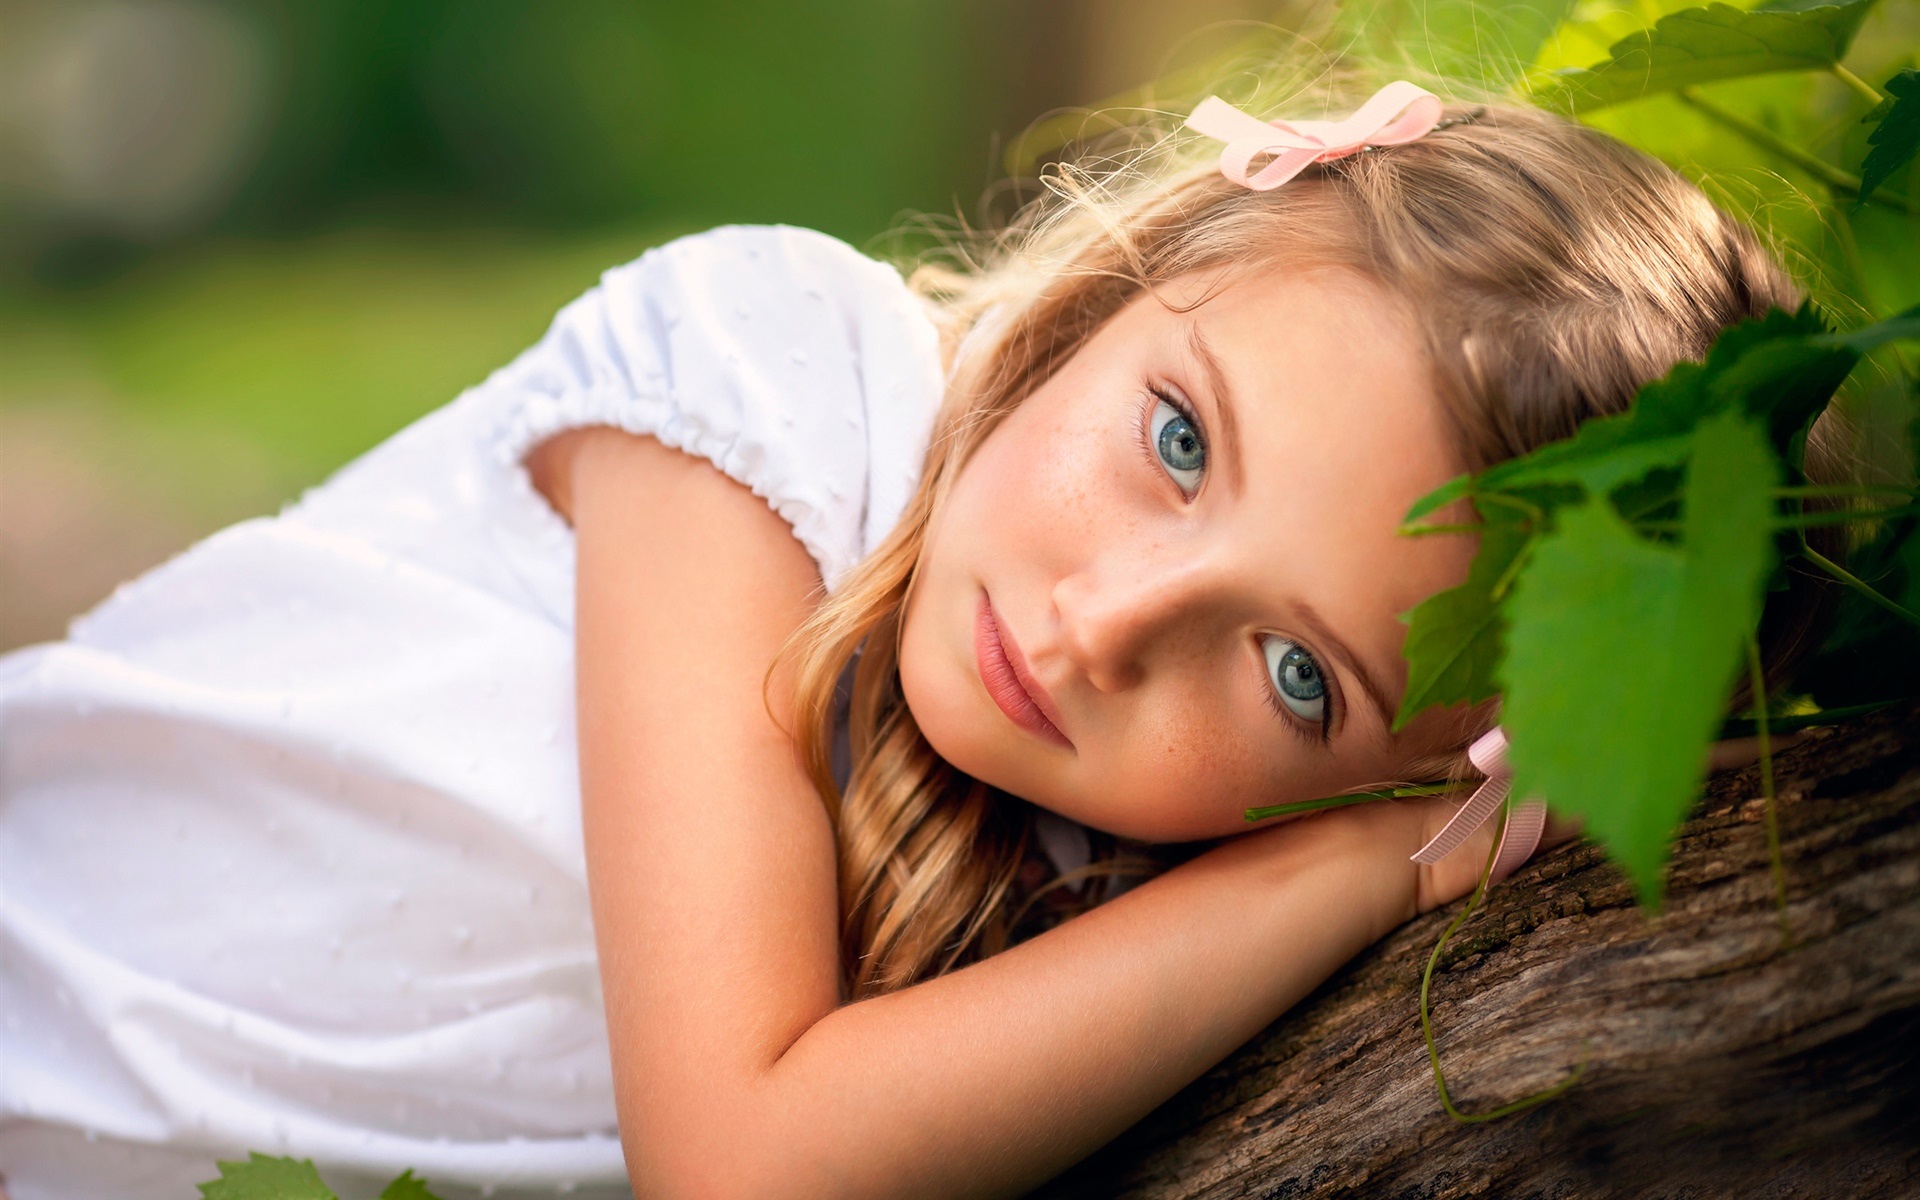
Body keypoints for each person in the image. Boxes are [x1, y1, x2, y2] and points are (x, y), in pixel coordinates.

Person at [0, 79, 1831, 1199]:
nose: (1103, 626)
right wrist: (1365, 870)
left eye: (1295, 677)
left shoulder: (1098, 901)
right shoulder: (774, 388)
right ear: (1153, 262)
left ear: (1444, 753)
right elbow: (750, 1166)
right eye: (1178, 442)